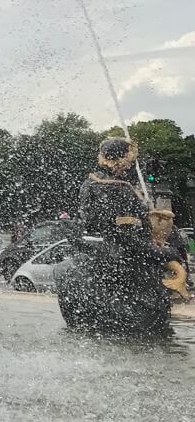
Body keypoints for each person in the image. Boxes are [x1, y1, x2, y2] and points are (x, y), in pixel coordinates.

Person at [57, 137, 186, 335]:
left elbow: (92, 225)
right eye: (130, 158)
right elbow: (131, 243)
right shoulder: (120, 189)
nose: (131, 164)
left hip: (99, 256)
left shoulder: (89, 183)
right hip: (126, 267)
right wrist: (170, 253)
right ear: (123, 159)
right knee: (151, 327)